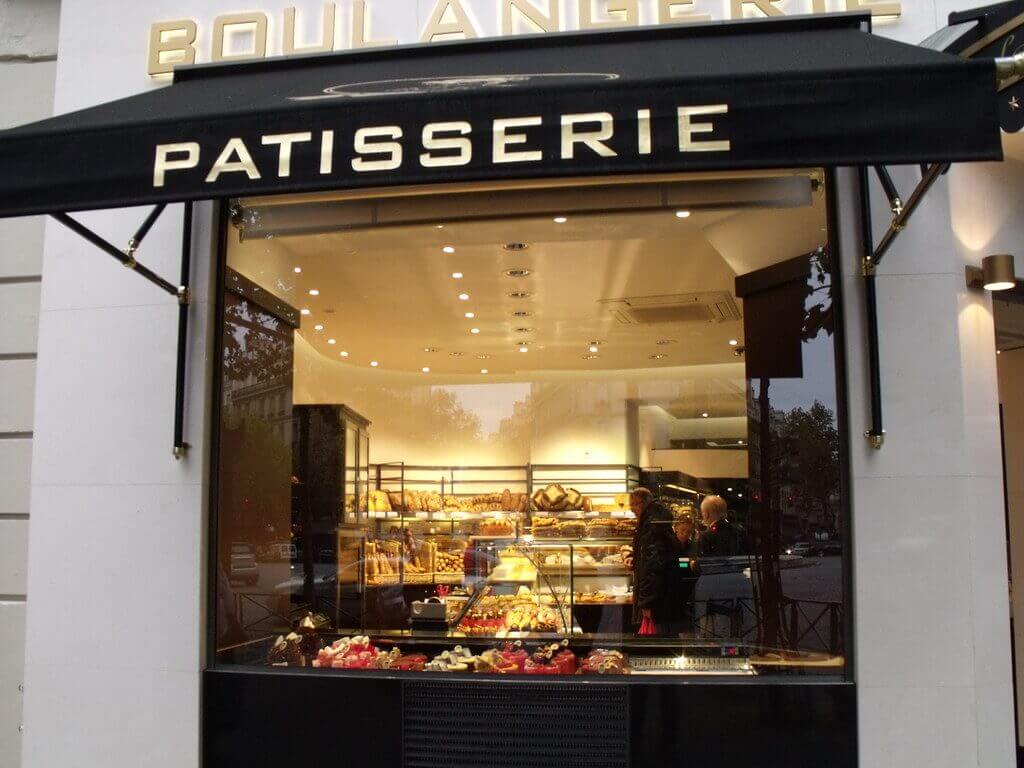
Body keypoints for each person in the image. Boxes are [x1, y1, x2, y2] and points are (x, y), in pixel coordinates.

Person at [627, 488, 685, 636]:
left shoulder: (652, 525)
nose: (632, 508)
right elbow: (648, 556)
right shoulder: (655, 522)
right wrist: (634, 557)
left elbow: (652, 566)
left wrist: (647, 602)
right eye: (630, 504)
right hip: (663, 595)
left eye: (635, 504)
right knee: (664, 638)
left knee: (658, 640)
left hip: (657, 599)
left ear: (646, 502)